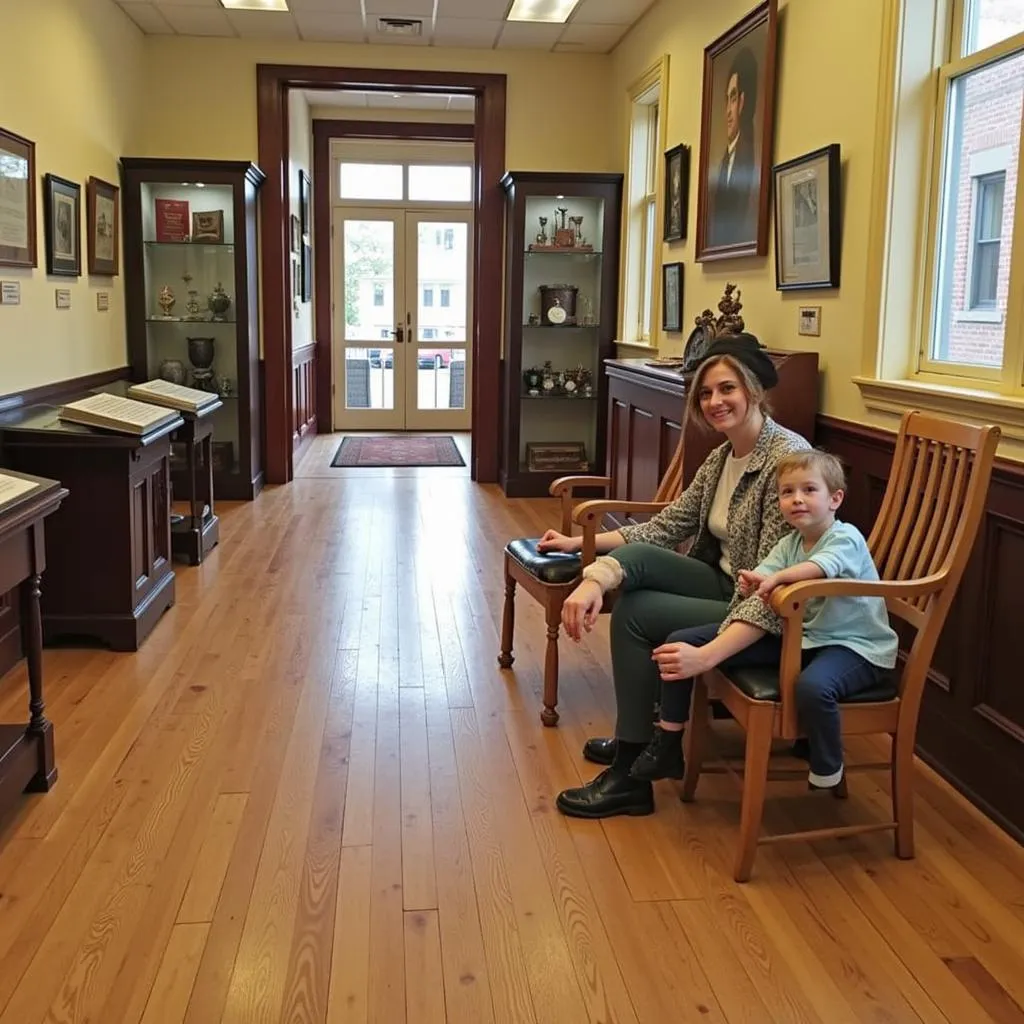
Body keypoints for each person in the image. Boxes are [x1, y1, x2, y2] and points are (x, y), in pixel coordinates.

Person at [536, 334, 810, 818]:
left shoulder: (785, 460)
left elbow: (775, 581)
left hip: (762, 606)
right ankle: (638, 746)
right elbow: (666, 527)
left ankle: (630, 764)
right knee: (639, 570)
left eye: (726, 389)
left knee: (637, 611)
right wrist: (580, 546)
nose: (714, 402)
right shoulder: (723, 455)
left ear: (753, 390)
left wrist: (597, 576)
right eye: (705, 393)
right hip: (721, 581)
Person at [630, 450, 898, 793]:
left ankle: (828, 764)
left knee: (814, 688)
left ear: (835, 499)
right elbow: (768, 570)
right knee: (683, 641)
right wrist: (754, 580)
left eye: (808, 490)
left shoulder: (845, 538)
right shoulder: (791, 543)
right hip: (804, 638)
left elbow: (820, 569)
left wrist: (778, 580)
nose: (796, 500)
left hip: (854, 646)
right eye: (787, 492)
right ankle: (669, 738)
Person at [709, 47, 759, 248]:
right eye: (727, 100)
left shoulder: (749, 157)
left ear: (743, 102)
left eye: (733, 98)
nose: (727, 112)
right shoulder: (725, 161)